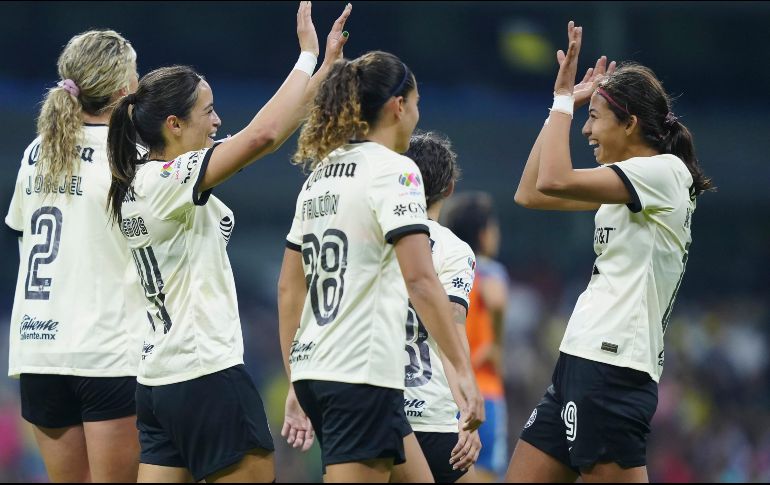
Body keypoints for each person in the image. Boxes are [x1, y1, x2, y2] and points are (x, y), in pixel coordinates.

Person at [105, 3, 351, 482]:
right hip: (207, 374)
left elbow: (269, 131)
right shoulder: (169, 180)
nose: (217, 122)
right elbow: (263, 135)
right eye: (208, 111)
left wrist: (325, 72)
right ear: (173, 125)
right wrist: (304, 56)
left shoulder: (140, 181)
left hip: (158, 383)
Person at [507, 21, 713, 483]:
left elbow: (555, 179)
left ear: (631, 123)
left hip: (614, 365)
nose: (585, 130)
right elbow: (531, 192)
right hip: (579, 359)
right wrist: (559, 109)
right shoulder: (628, 184)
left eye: (594, 117)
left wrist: (563, 99)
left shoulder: (663, 174)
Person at [277, 51, 484, 483]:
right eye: (417, 102)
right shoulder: (395, 171)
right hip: (359, 372)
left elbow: (288, 290)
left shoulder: (321, 174)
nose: (417, 113)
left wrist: (296, 378)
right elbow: (421, 280)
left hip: (321, 367)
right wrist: (463, 374)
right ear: (398, 106)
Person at [4, 30, 143, 483]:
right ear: (123, 89)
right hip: (105, 349)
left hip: (39, 349)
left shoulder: (35, 152)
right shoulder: (129, 158)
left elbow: (22, 234)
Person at [389, 132, 482, 483]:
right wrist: (467, 411)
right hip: (432, 416)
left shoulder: (376, 238)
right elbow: (452, 330)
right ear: (449, 189)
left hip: (375, 410)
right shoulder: (454, 250)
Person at [442, 191, 510, 482]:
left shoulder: (447, 267)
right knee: (482, 474)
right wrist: (495, 345)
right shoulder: (487, 269)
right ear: (482, 234)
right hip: (483, 390)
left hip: (447, 390)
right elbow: (496, 300)